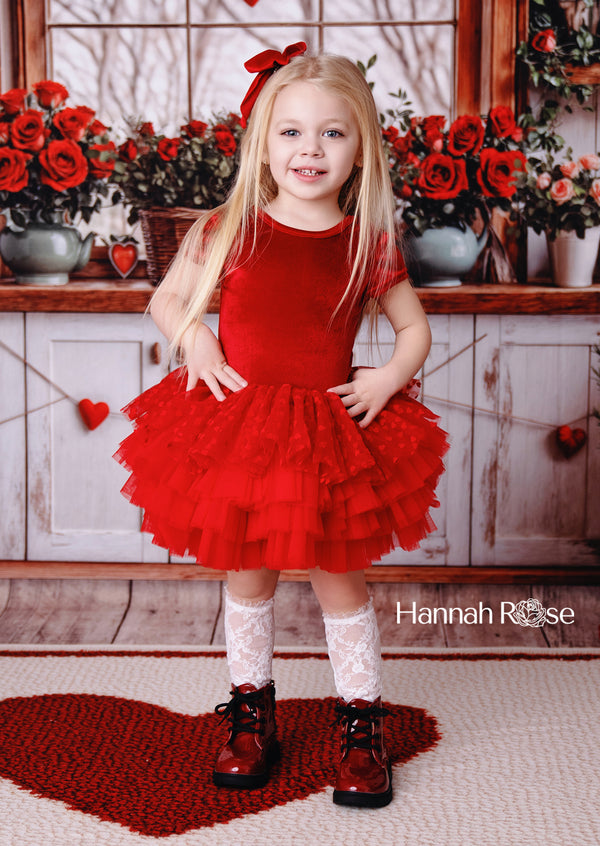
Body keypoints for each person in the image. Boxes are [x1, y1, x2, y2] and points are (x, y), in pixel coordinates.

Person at [115, 42, 448, 809]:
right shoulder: (229, 227)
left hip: (331, 430)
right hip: (242, 430)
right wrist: (196, 335)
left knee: (340, 578)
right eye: (292, 132)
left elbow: (414, 331)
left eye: (332, 133)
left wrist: (390, 377)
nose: (311, 149)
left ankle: (362, 727)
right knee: (248, 575)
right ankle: (250, 716)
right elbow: (168, 300)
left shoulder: (365, 242)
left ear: (361, 148)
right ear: (263, 145)